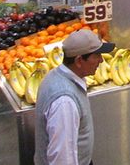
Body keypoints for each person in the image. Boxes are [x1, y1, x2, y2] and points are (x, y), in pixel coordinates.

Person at [34, 29, 115, 165]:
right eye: (96, 56)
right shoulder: (65, 101)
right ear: (78, 60)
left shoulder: (56, 75)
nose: (101, 60)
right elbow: (62, 158)